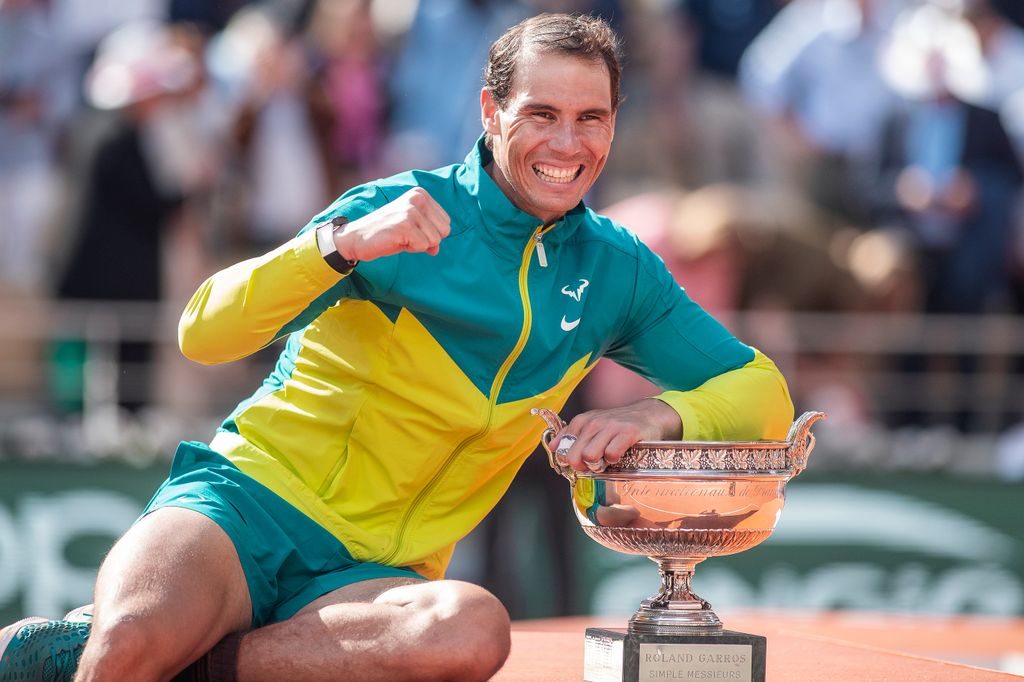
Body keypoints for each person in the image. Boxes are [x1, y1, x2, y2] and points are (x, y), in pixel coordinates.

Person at [0, 13, 794, 682]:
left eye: (592, 117)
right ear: (490, 109)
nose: (568, 142)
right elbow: (205, 332)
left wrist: (658, 416)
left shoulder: (617, 269)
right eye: (541, 113)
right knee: (125, 650)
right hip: (245, 503)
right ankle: (117, 643)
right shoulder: (397, 207)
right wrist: (340, 244)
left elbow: (762, 393)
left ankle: (202, 660)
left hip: (376, 582)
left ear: (616, 122)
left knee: (473, 630)